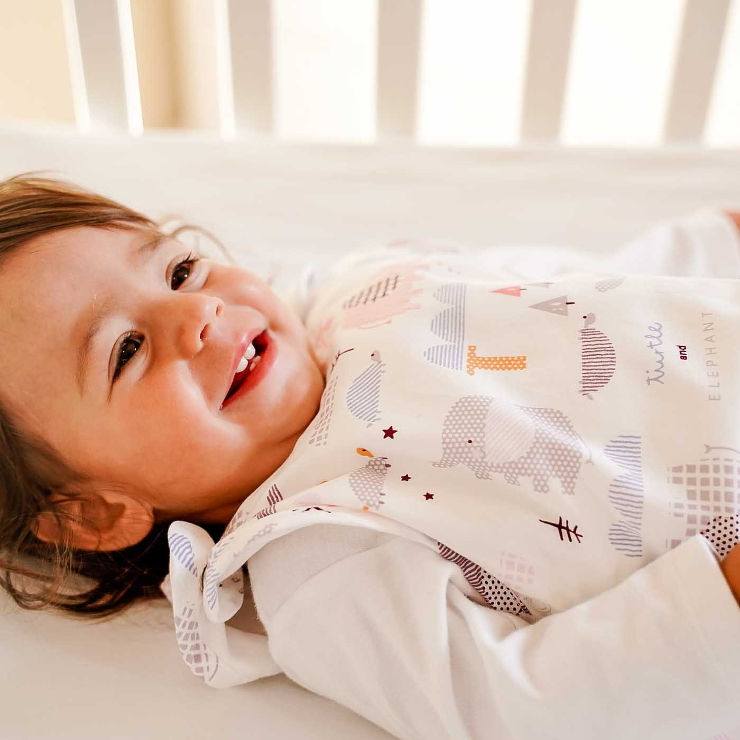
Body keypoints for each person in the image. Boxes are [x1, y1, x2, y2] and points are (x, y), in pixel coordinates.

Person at [0, 172, 738, 738]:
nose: (197, 312)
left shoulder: (363, 288)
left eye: (179, 271)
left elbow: (581, 289)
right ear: (95, 514)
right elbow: (520, 705)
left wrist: (717, 239)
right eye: (127, 350)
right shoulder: (316, 550)